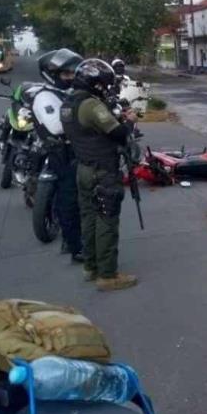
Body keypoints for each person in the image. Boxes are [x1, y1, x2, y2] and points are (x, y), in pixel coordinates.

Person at [60, 59, 139, 291]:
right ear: (95, 83)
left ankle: (91, 267)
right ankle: (107, 275)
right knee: (106, 220)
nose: (106, 89)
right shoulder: (91, 106)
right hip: (102, 172)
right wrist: (130, 122)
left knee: (89, 219)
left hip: (83, 169)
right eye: (104, 85)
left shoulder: (68, 103)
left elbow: (91, 131)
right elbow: (119, 135)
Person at [33, 48, 84, 263]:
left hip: (73, 151)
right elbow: (56, 127)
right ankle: (75, 246)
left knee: (79, 198)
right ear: (52, 75)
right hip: (61, 154)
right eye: (66, 75)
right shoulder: (45, 96)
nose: (71, 78)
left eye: (73, 74)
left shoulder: (65, 93)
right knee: (69, 199)